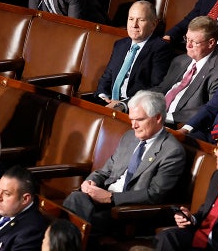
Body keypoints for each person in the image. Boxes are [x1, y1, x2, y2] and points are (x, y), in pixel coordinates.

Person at [62, 90, 186, 235]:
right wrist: (90, 183)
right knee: (76, 198)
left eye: (139, 120)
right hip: (103, 197)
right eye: (131, 119)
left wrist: (111, 198)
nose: (133, 125)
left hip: (128, 212)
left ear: (158, 118)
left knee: (86, 221)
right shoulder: (129, 137)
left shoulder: (172, 151)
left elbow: (154, 194)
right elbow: (105, 171)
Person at [95, 1, 174, 109]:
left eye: (141, 20)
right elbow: (107, 76)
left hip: (134, 107)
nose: (134, 25)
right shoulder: (120, 44)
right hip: (108, 103)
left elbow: (156, 88)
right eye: (131, 19)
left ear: (153, 24)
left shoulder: (160, 48)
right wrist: (103, 95)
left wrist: (123, 104)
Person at [148, 16, 218, 127]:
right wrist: (131, 103)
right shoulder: (180, 61)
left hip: (180, 126)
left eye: (194, 42)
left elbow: (211, 108)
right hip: (155, 115)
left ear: (211, 43)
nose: (188, 45)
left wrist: (168, 117)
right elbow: (162, 89)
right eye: (187, 39)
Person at [152, 138, 218, 250]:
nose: (215, 153)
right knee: (166, 237)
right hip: (200, 236)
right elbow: (206, 212)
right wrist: (191, 218)